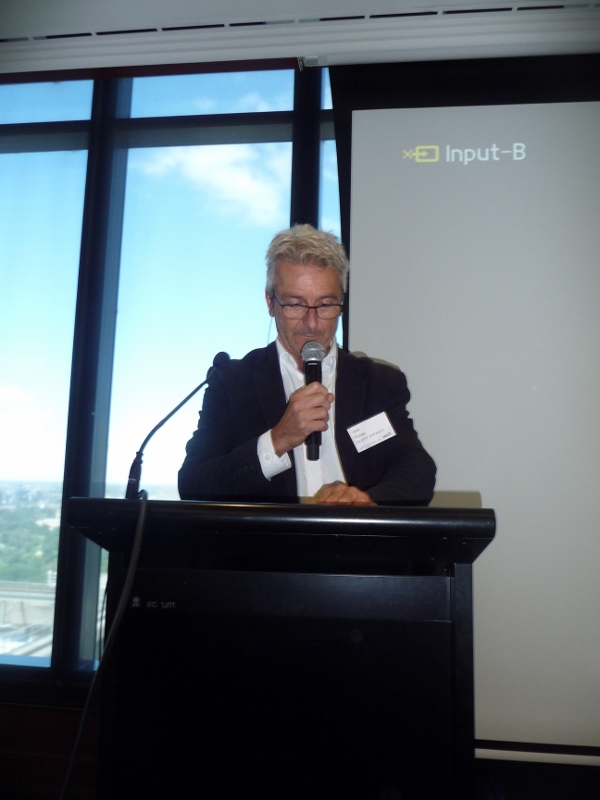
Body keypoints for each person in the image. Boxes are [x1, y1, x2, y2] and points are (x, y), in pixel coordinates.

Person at [178, 225, 436, 505]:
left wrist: (366, 502)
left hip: (354, 532)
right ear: (270, 302)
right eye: (295, 305)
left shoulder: (379, 383)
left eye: (325, 305)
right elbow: (193, 484)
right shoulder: (232, 382)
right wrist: (278, 439)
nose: (311, 323)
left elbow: (417, 470)